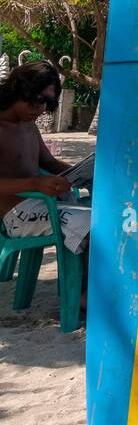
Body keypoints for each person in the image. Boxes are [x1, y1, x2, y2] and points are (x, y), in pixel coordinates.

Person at [0, 62, 90, 296]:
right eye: (39, 100)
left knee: (101, 215)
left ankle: (84, 290)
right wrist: (34, 184)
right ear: (19, 90)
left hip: (42, 204)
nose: (41, 109)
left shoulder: (28, 125)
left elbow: (49, 163)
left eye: (49, 104)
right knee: (92, 226)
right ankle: (80, 296)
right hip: (15, 215)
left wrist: (82, 172)